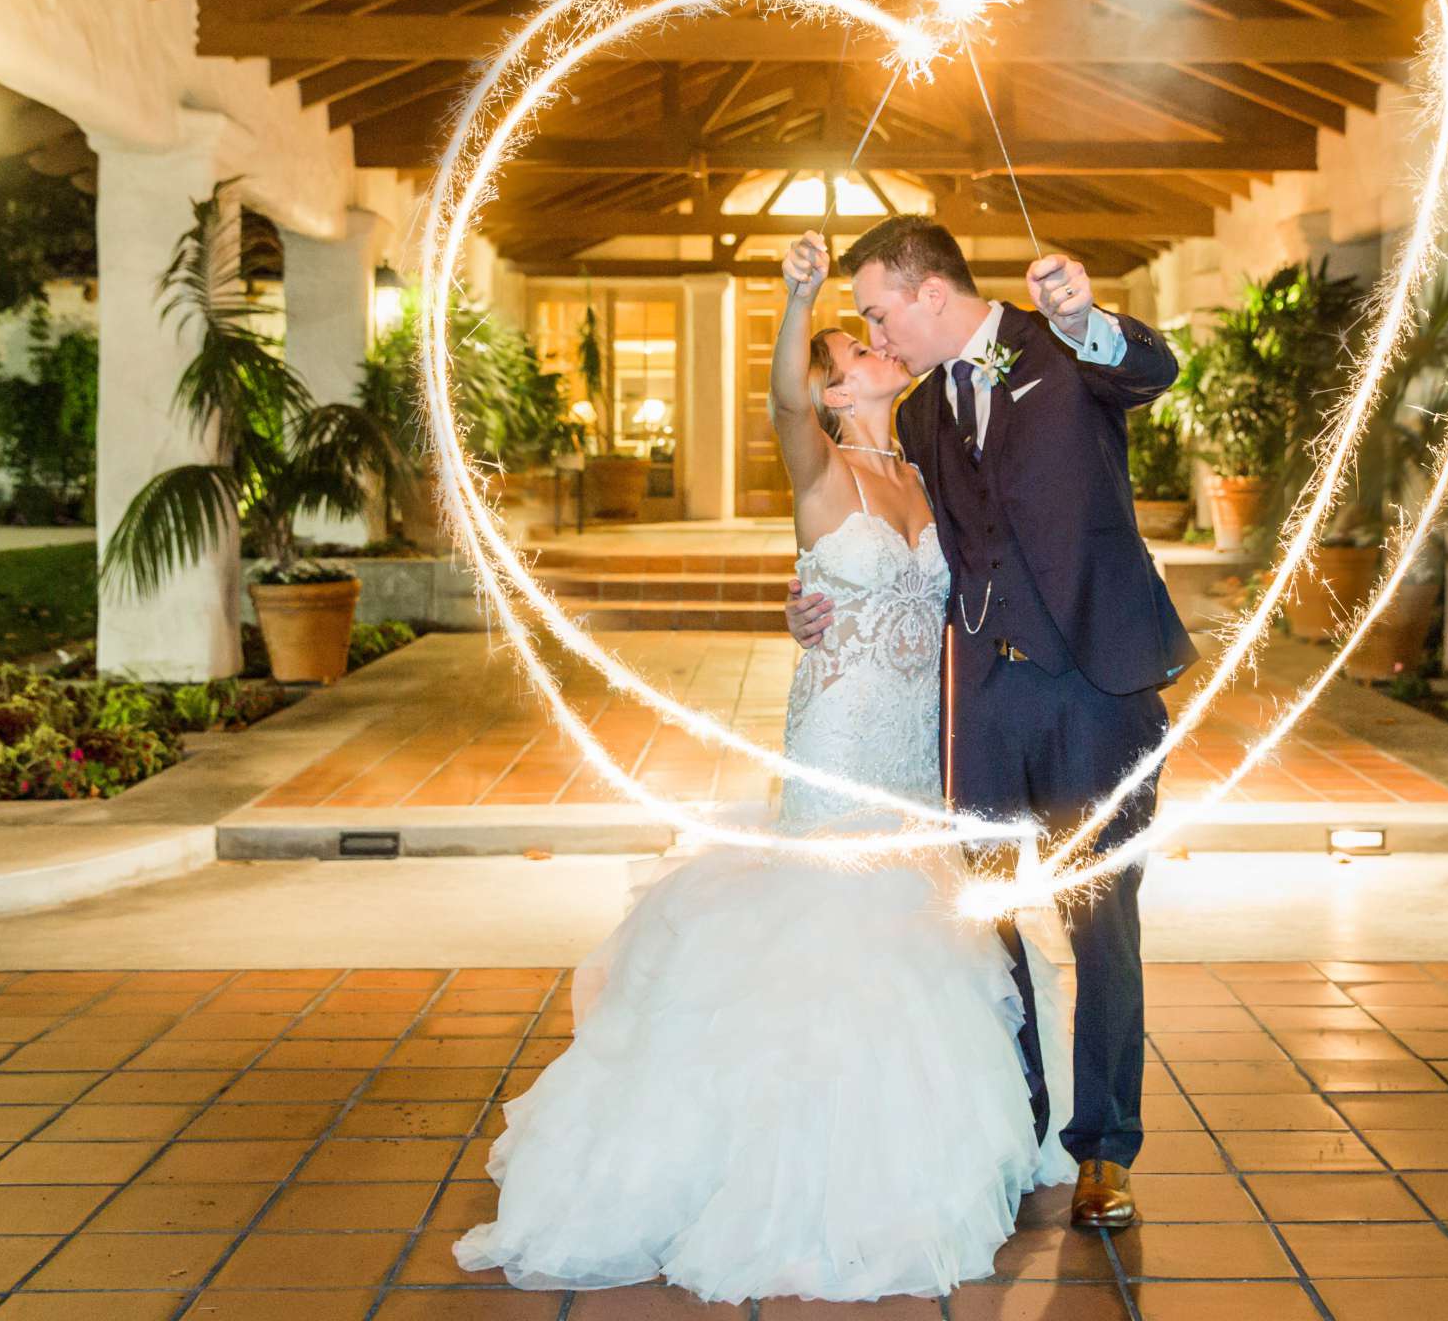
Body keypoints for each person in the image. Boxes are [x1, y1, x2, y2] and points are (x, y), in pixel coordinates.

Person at [449, 230, 1074, 1303]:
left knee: (918, 934)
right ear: (834, 389)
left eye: (877, 331)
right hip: (838, 736)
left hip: (917, 751)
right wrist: (795, 302)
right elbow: (782, 404)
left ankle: (910, 1149)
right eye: (859, 342)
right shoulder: (821, 465)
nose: (880, 343)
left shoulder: (925, 466)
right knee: (832, 929)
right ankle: (790, 1167)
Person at [786, 213, 1194, 1229]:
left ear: (929, 292)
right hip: (984, 703)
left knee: (1101, 914)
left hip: (1096, 685)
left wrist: (1089, 315)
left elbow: (1154, 367)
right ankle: (1019, 1126)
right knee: (989, 922)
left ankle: (1104, 1149)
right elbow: (881, 535)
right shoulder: (919, 417)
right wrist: (816, 599)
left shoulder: (1062, 342)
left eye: (881, 310)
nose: (879, 333)